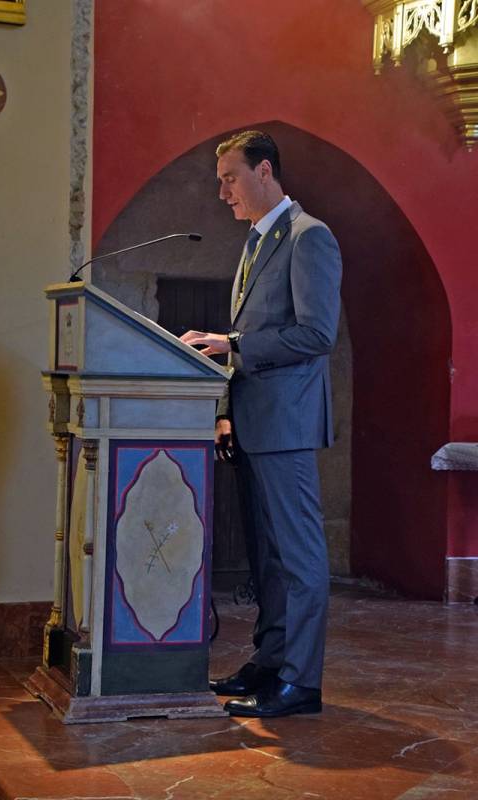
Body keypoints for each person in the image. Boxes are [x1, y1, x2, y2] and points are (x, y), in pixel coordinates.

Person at [180, 130, 342, 718]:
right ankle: (270, 663)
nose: (223, 192)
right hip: (251, 422)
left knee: (298, 558)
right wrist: (225, 414)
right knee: (268, 559)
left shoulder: (309, 236)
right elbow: (244, 343)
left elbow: (316, 334)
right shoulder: (256, 242)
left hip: (287, 424)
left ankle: (301, 682)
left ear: (264, 171)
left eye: (230, 178)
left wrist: (233, 343)